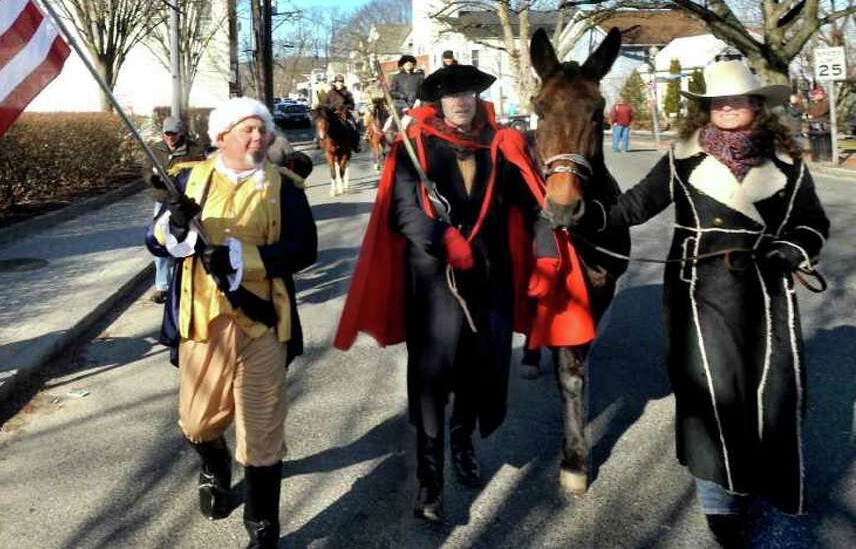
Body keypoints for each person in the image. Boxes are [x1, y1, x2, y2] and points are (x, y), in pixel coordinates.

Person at [578, 60, 829, 546]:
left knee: (770, 390)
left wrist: (793, 246)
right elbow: (634, 206)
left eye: (738, 99)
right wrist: (586, 215)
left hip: (766, 289)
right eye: (719, 102)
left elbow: (813, 222)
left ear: (757, 105)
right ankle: (718, 498)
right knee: (712, 392)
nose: (728, 107)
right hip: (699, 290)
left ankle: (763, 480)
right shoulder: (683, 156)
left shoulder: (787, 162)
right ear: (707, 109)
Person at [334, 64, 572, 522]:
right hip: (433, 282)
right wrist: (441, 238)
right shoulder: (413, 149)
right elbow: (401, 211)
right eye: (450, 94)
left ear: (477, 97)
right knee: (431, 379)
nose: (460, 101)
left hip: (490, 279)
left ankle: (462, 442)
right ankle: (429, 478)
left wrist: (546, 254)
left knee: (477, 371)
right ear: (437, 101)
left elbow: (535, 205)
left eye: (467, 93)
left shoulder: (503, 145)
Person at [146, 97, 318, 547]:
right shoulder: (189, 178)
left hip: (263, 324)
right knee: (198, 421)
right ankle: (214, 464)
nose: (258, 138)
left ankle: (263, 525)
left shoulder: (284, 187)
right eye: (247, 130)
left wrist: (247, 258)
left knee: (262, 430)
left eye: (262, 130)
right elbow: (156, 242)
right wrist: (176, 226)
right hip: (202, 322)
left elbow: (304, 249)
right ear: (221, 137)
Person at [149, 117, 207, 303]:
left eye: (173, 133)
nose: (170, 137)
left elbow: (202, 172)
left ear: (181, 133)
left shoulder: (195, 151)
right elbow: (145, 170)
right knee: (161, 241)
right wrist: (152, 180)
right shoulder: (156, 150)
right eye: (167, 133)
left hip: (185, 203)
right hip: (163, 201)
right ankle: (161, 286)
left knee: (183, 242)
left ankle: (179, 282)